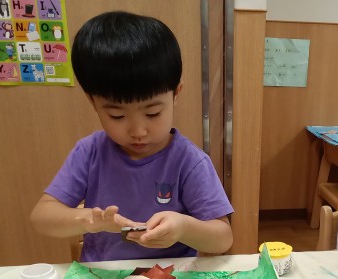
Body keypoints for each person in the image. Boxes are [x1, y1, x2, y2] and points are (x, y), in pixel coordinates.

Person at [30, 11, 234, 261]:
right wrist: (88, 220)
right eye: (117, 116)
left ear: (175, 94)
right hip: (103, 278)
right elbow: (41, 217)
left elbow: (223, 239)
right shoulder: (90, 153)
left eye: (152, 113)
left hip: (171, 278)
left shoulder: (189, 161)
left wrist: (184, 228)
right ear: (93, 102)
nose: (138, 132)